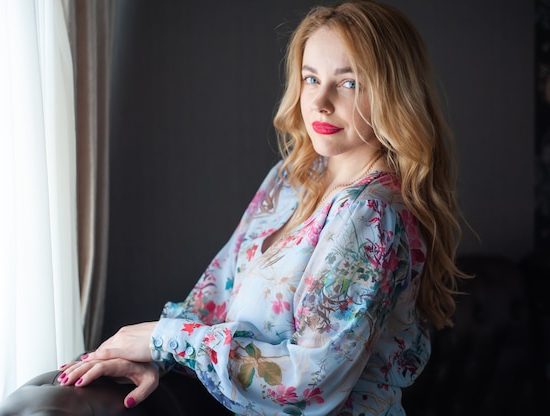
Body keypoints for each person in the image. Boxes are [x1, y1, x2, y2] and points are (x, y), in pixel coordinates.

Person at [57, 0, 469, 414]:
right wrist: (155, 358)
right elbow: (215, 294)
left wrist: (165, 339)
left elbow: (308, 377)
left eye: (349, 83)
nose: (320, 102)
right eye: (311, 78)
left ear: (393, 91)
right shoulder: (292, 177)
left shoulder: (371, 215)